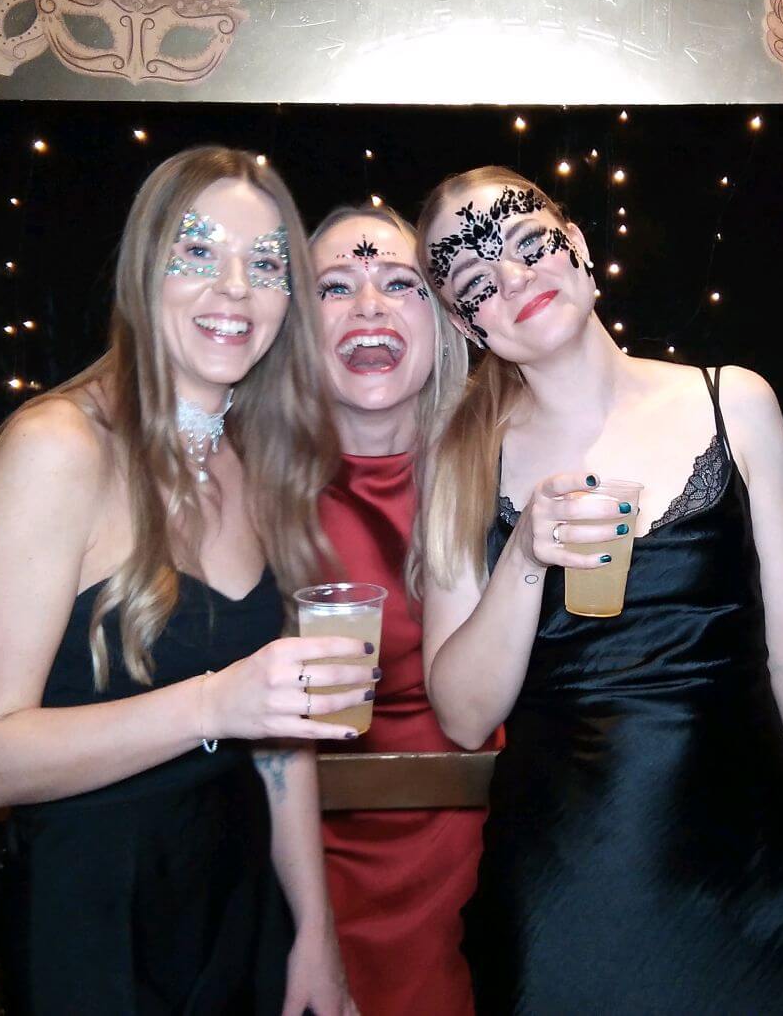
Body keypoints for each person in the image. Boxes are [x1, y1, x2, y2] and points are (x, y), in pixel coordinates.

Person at [415, 167, 783, 1015]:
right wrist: (524, 555)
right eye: (477, 278)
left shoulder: (733, 402)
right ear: (464, 321)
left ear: (578, 245)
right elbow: (461, 713)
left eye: (528, 242)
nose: (515, 278)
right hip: (563, 896)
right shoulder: (460, 460)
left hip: (751, 879)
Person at [0, 146, 371, 1015]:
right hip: (95, 922)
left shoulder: (256, 459)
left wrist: (314, 932)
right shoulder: (59, 447)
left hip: (241, 907)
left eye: (266, 264)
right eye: (199, 251)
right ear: (144, 268)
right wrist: (214, 703)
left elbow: (278, 736)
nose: (235, 289)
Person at [305, 203, 487, 1016]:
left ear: (442, 322)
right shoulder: (240, 485)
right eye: (335, 286)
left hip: (471, 848)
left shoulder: (497, 466)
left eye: (400, 283)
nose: (369, 305)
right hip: (292, 855)